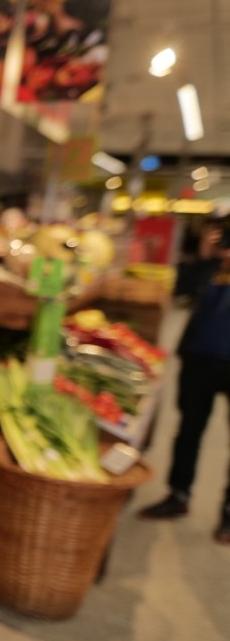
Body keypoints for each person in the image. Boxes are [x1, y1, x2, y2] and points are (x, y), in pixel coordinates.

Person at [138, 218, 230, 544]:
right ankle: (178, 494)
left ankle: (229, 516)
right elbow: (181, 289)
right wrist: (205, 257)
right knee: (189, 430)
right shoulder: (210, 266)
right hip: (199, 356)